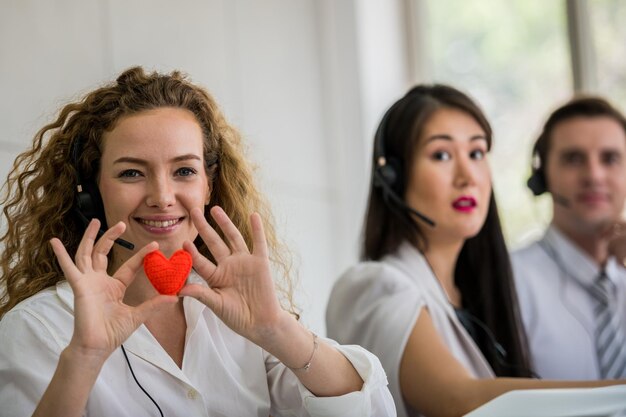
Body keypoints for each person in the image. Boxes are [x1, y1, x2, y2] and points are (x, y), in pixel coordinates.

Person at [0, 66, 395, 417]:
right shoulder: (37, 327)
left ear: (209, 186)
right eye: (132, 174)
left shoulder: (239, 313)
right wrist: (83, 359)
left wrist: (276, 328)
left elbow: (372, 410)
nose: (162, 196)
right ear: (91, 193)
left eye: (184, 170)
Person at [325, 85, 626, 417]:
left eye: (477, 153)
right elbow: (460, 400)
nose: (467, 176)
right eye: (441, 155)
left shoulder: (474, 296)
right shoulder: (373, 285)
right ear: (393, 176)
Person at [511, 97, 626, 380]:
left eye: (610, 159)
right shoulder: (508, 280)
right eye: (574, 159)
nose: (594, 175)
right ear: (542, 176)